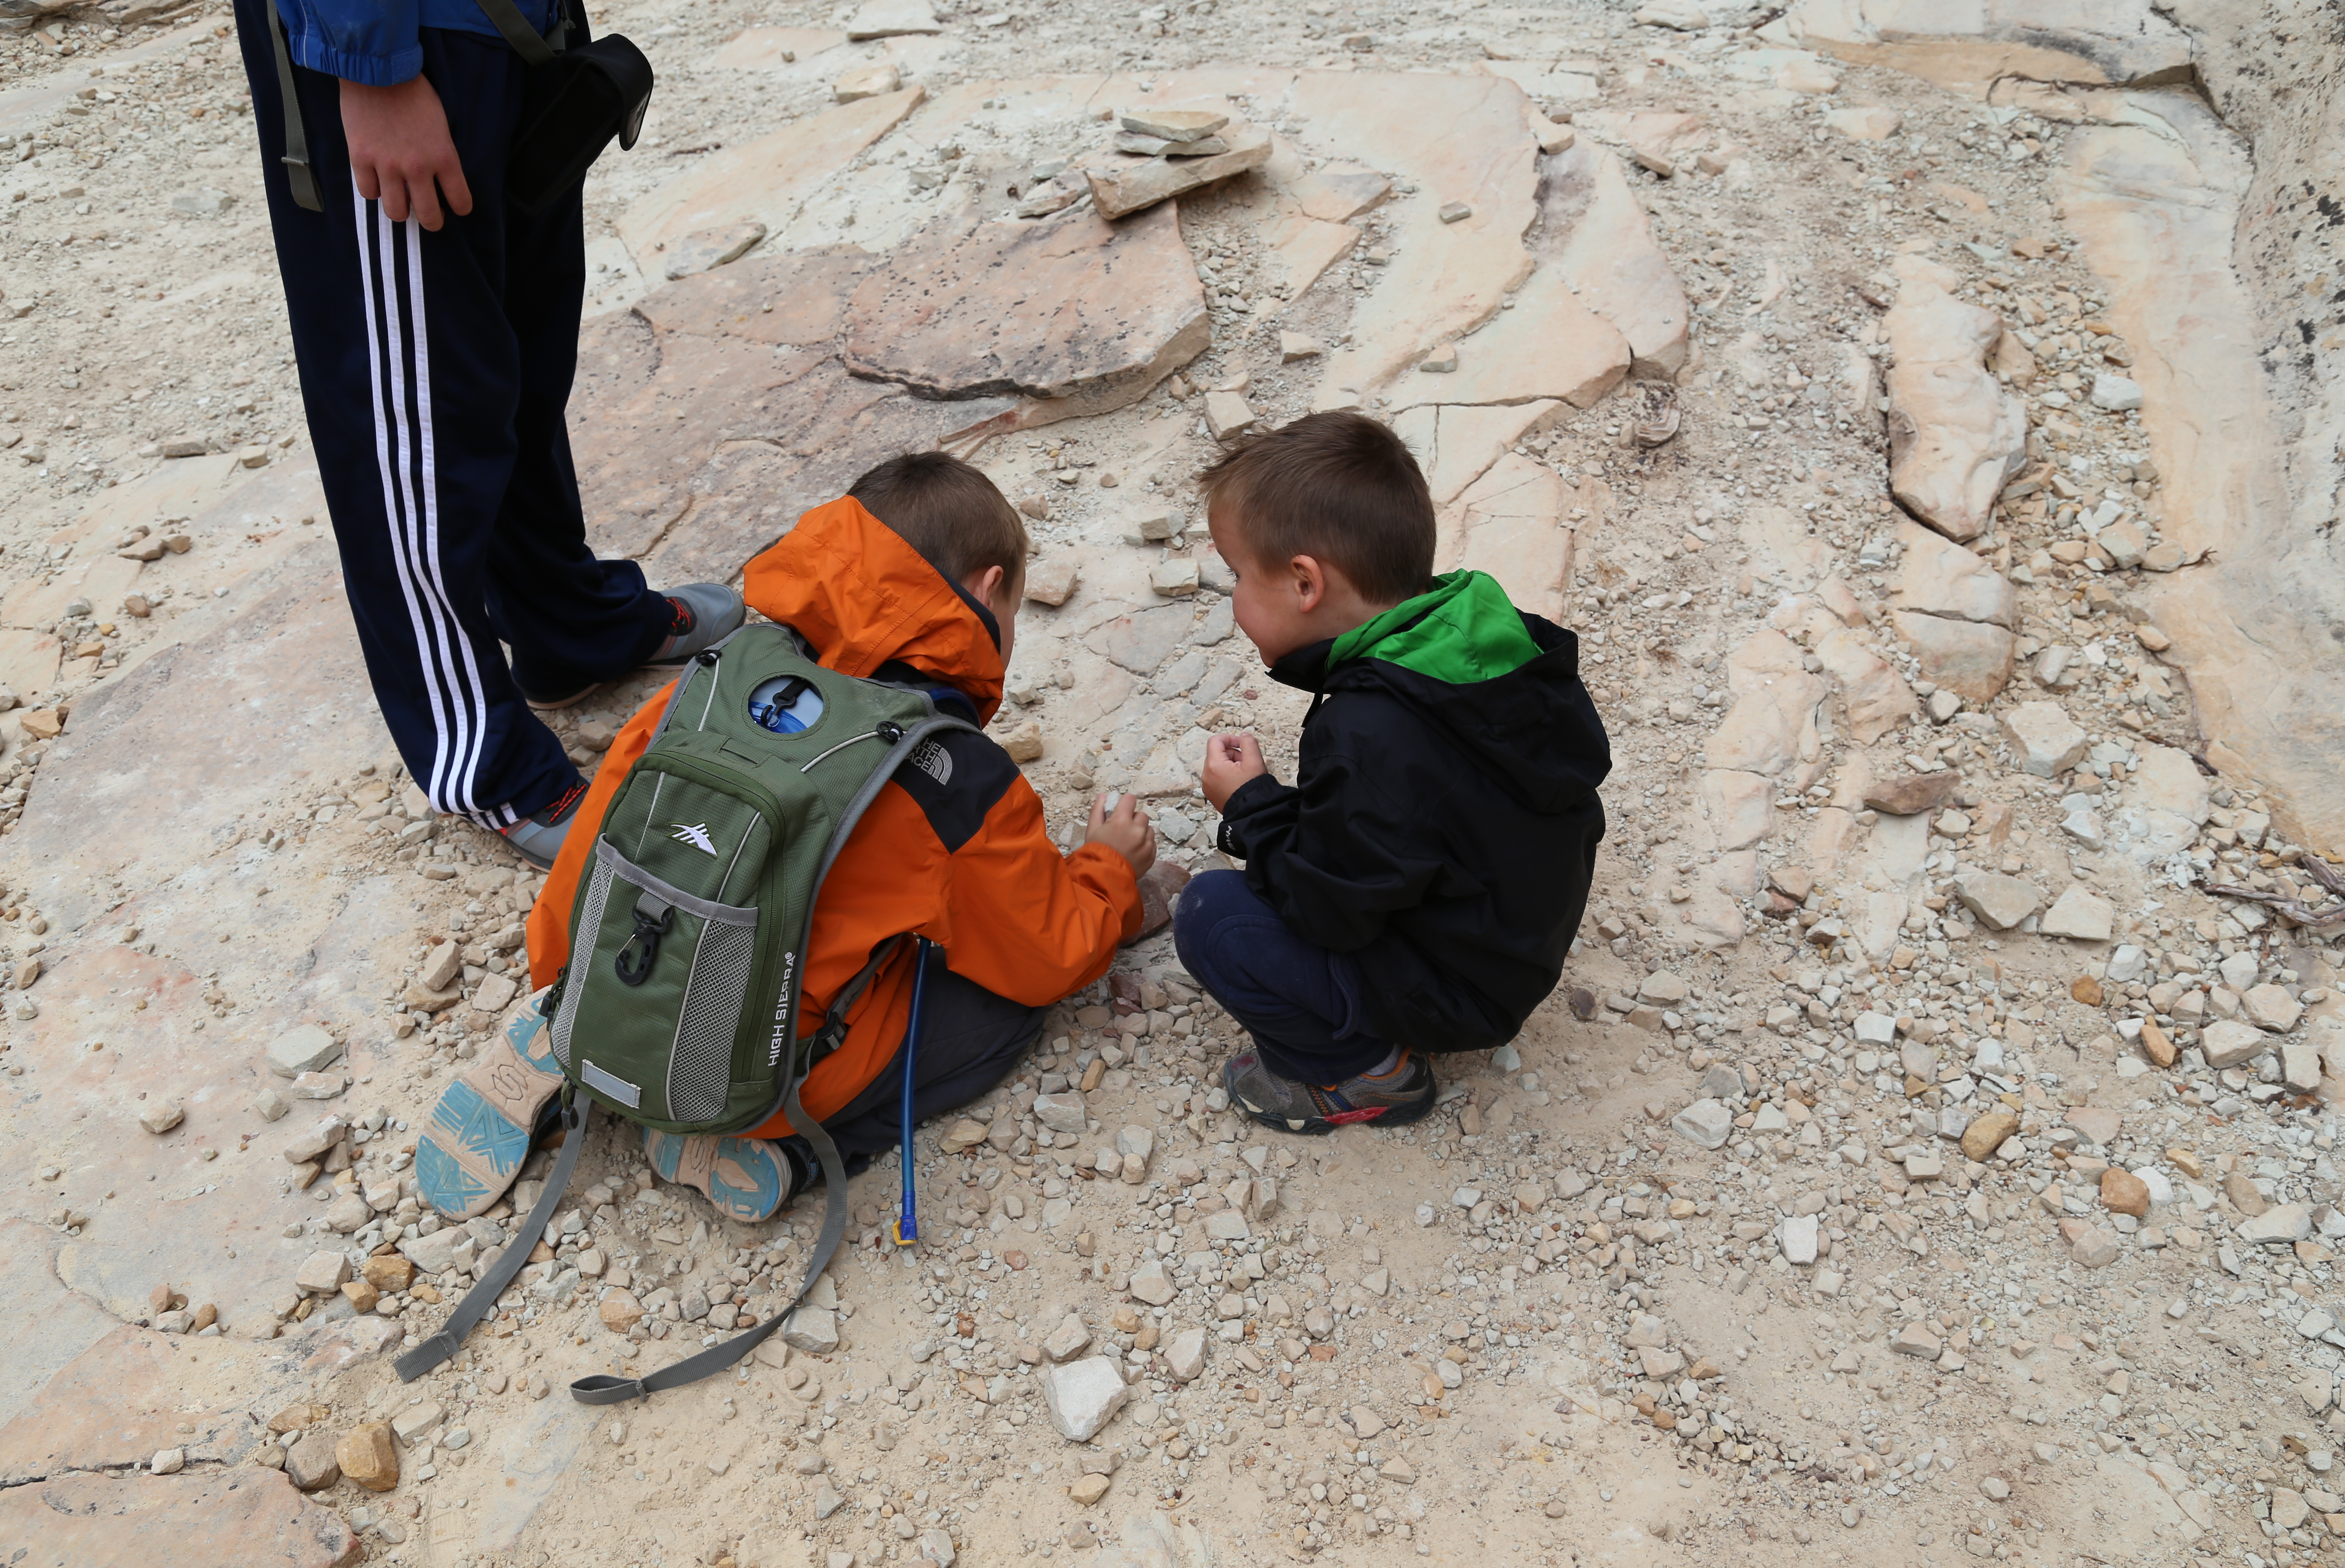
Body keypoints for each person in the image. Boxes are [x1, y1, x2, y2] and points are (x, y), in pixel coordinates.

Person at [434, 453, 1158, 1222]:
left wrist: (562, 967)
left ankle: (568, 1026)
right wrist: (1110, 871)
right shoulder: (951, 773)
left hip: (594, 966)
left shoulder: (724, 668)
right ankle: (791, 1143)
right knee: (1002, 1006)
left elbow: (604, 824)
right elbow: (1048, 955)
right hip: (756, 1067)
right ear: (987, 588)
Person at [229, 0, 742, 870]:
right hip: (395, 40)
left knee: (516, 356)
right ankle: (479, 754)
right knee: (416, 415)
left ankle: (562, 622)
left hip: (507, 22)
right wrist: (369, 61)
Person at [1176, 411, 1612, 1135]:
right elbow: (1395, 825)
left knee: (1212, 918)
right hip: (1512, 942)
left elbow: (1331, 911)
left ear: (1305, 582)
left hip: (1459, 989)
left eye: (1238, 574)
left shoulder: (1370, 731)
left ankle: (1370, 1073)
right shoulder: (1483, 637)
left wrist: (1251, 807)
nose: (1233, 596)